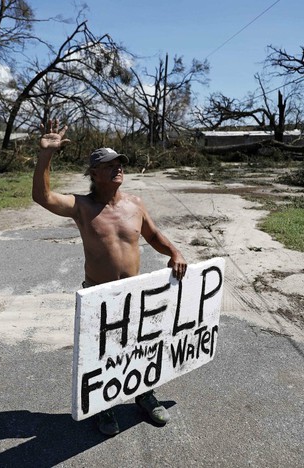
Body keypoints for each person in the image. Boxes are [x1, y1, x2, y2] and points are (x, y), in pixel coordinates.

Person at [32, 119, 188, 436]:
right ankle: (103, 408)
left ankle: (144, 396)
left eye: (119, 163)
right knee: (102, 354)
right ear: (94, 173)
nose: (118, 168)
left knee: (141, 347)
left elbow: (154, 235)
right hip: (99, 296)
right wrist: (46, 155)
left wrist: (175, 252)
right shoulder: (82, 206)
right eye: (109, 165)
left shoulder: (135, 204)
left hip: (135, 295)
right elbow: (42, 196)